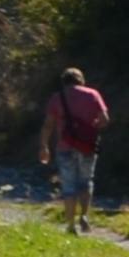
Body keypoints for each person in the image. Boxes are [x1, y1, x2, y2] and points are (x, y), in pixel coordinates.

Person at [40, 64, 109, 229]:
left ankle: (70, 225)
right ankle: (84, 216)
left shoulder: (57, 98)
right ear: (81, 80)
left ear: (64, 82)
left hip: (65, 146)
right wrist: (90, 129)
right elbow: (104, 119)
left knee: (69, 185)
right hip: (88, 146)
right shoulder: (93, 94)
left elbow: (48, 125)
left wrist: (44, 146)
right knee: (86, 181)